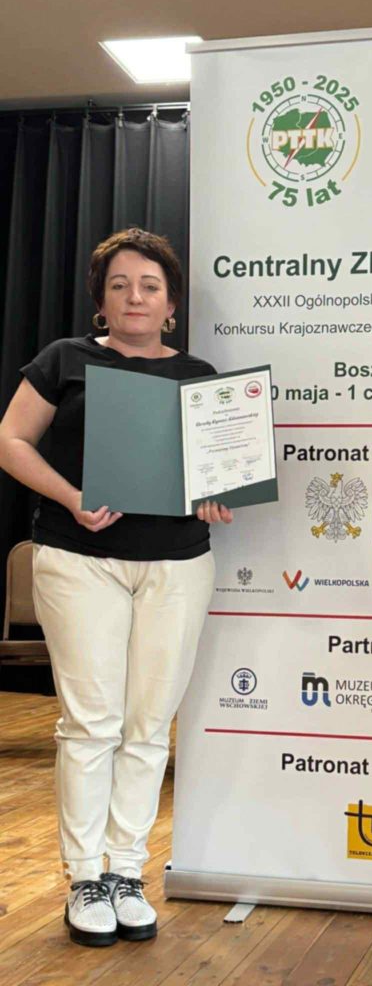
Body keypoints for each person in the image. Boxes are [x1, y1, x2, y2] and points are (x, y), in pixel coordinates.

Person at [0, 228, 233, 947]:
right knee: (91, 724)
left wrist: (217, 493)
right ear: (101, 300)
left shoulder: (200, 376)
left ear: (171, 304)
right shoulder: (65, 359)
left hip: (178, 563)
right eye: (121, 284)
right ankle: (85, 877)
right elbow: (10, 441)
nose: (136, 296)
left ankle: (127, 872)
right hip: (79, 559)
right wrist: (71, 497)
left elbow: (220, 471)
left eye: (150, 286)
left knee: (148, 726)